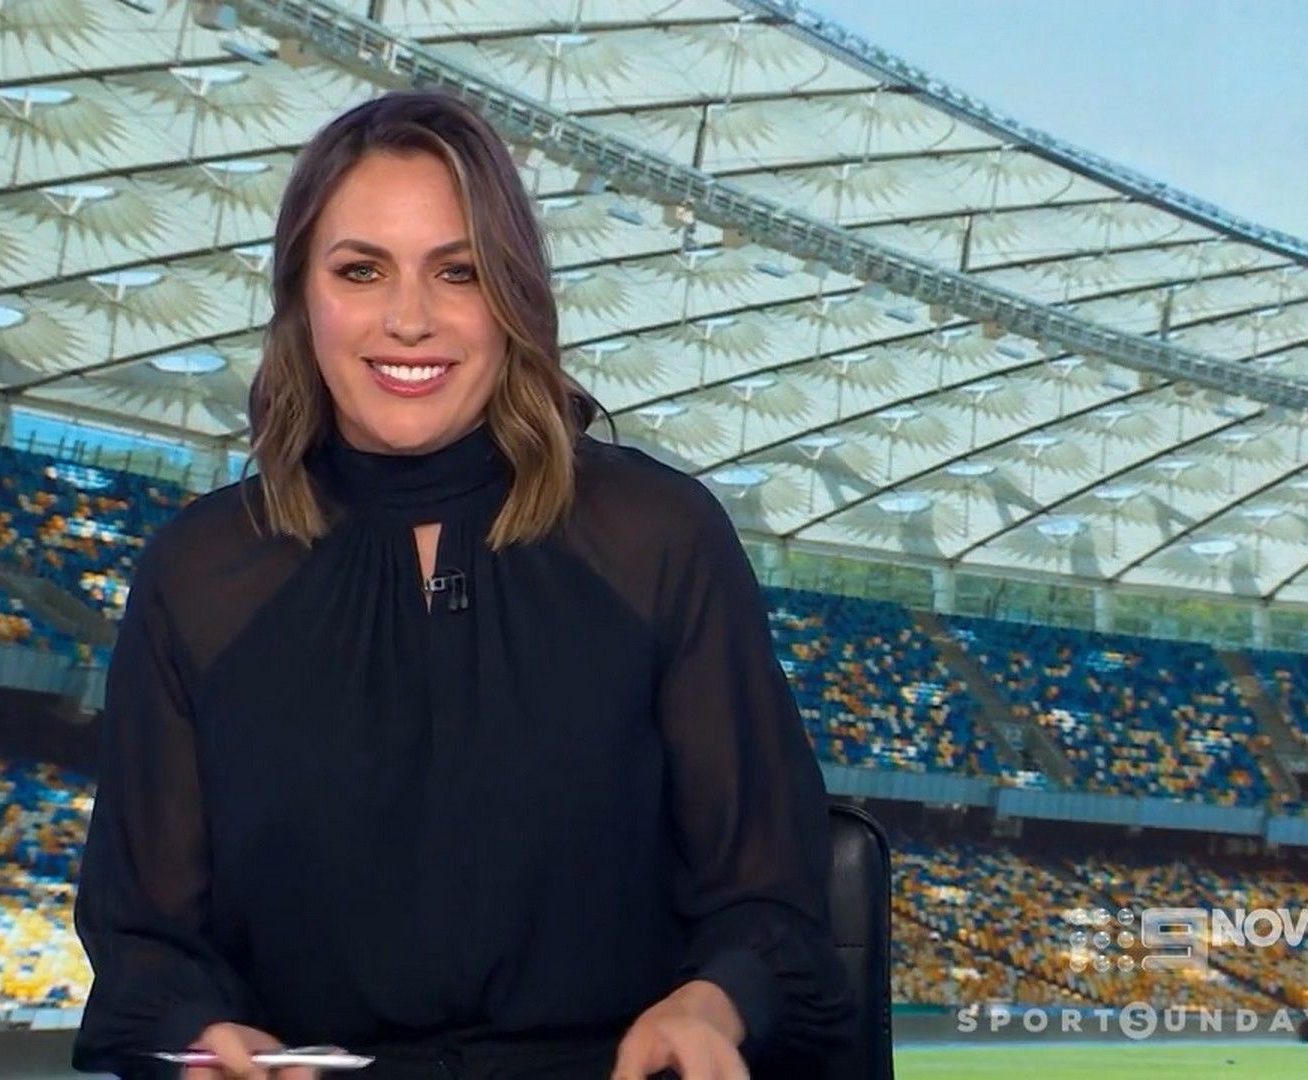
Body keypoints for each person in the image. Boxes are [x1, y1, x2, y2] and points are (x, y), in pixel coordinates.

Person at [73, 88, 851, 1080]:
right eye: (361, 270)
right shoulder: (198, 573)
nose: (409, 319)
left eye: (460, 271)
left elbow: (770, 900)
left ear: (514, 298)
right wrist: (205, 1035)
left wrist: (710, 1003)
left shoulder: (658, 537)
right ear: (301, 296)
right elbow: (144, 942)